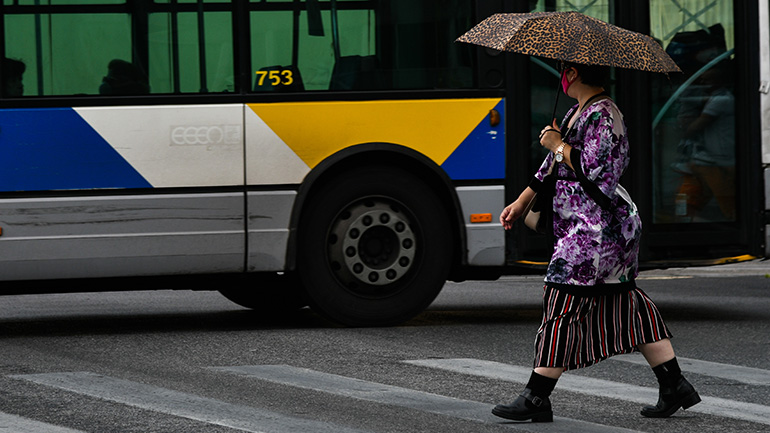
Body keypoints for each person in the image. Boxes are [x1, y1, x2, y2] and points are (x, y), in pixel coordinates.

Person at [495, 61, 701, 422]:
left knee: (561, 301)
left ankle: (536, 396)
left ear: (573, 73)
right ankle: (674, 385)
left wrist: (558, 144)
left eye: (563, 69)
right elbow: (550, 168)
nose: (561, 75)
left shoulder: (606, 115)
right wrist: (521, 201)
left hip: (597, 232)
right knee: (626, 305)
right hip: (583, 227)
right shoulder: (577, 111)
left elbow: (596, 171)